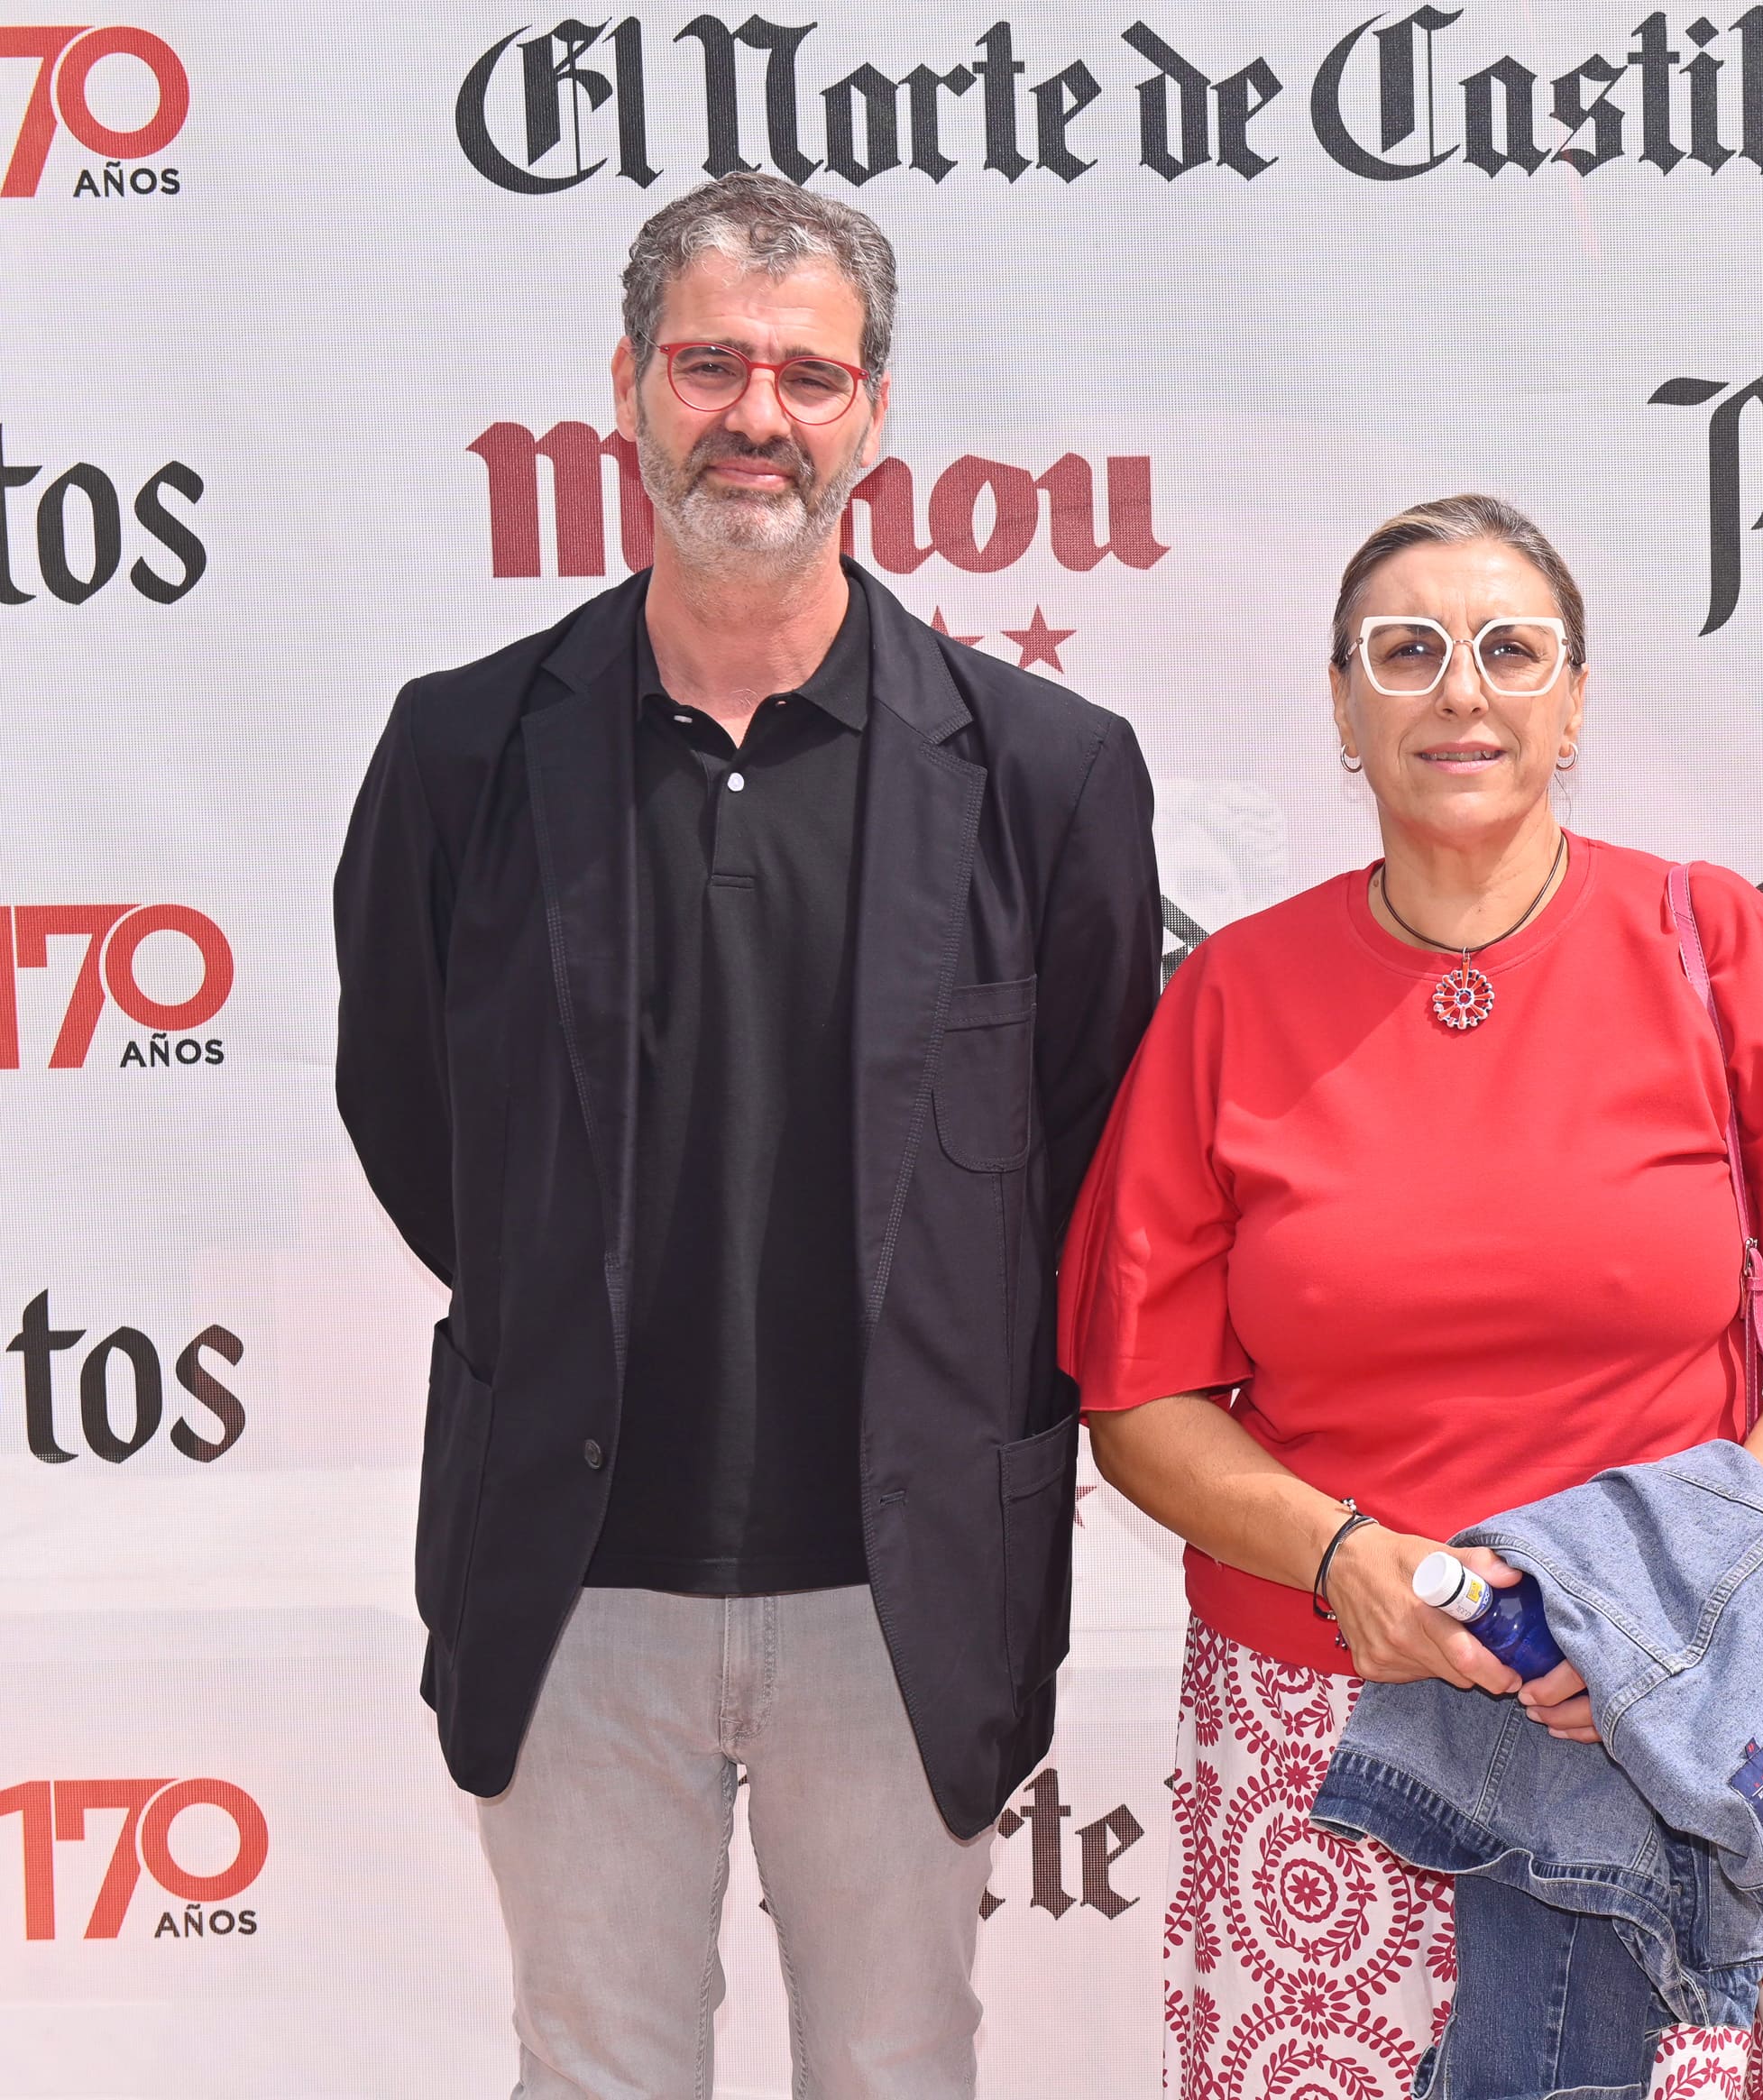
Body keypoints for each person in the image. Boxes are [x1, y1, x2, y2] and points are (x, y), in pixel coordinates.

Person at [333, 171, 1160, 2096]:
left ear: (872, 411)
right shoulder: (460, 755)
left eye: (806, 372)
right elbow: (412, 1120)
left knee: (895, 2072)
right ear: (625, 384)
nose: (756, 416)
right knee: (597, 2068)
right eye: (711, 364)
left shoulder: (1047, 776)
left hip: (903, 1584)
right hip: (575, 1572)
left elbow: (1087, 1141)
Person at [1056, 494, 1763, 2100]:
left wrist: (1653, 1585)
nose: (1461, 691)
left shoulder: (1714, 948)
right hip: (1325, 1726)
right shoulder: (1231, 1000)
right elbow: (1138, 1402)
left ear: (1576, 698)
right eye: (1409, 652)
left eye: (1508, 650)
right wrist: (1343, 1557)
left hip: (1649, 1726)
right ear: (1341, 706)